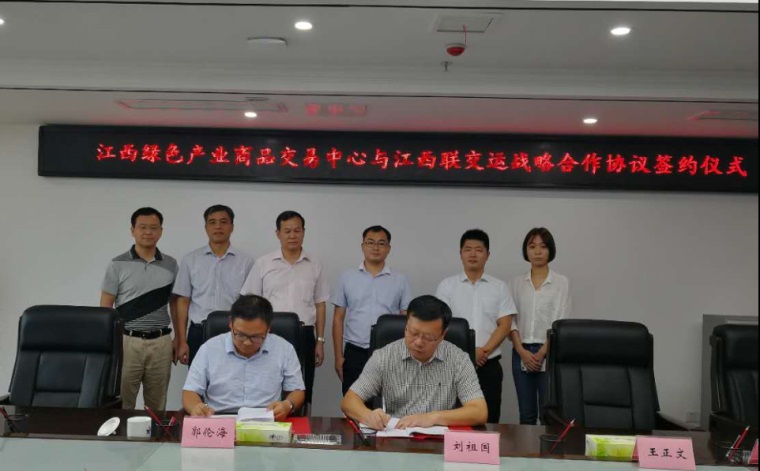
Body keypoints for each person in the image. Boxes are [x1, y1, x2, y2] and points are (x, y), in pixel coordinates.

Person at [341, 295, 487, 430]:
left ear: (443, 334)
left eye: (428, 337)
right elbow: (349, 401)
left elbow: (479, 412)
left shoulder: (459, 360)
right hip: (396, 437)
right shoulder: (384, 356)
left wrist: (432, 417)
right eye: (413, 333)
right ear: (406, 326)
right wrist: (369, 416)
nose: (418, 342)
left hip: (439, 441)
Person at [240, 210, 329, 407]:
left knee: (302, 385)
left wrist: (320, 341)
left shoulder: (314, 264)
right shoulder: (263, 263)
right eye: (287, 231)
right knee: (268, 384)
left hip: (304, 334)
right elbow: (249, 301)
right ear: (278, 234)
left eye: (297, 230)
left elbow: (320, 304)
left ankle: (301, 422)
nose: (292, 235)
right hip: (269, 334)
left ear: (303, 232)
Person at [100, 207, 178, 410]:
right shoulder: (117, 264)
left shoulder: (171, 264)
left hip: (161, 342)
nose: (148, 232)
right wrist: (109, 344)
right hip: (127, 342)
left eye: (153, 227)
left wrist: (179, 338)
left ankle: (155, 433)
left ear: (161, 231)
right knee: (122, 402)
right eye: (142, 227)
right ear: (132, 230)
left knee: (157, 406)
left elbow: (175, 303)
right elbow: (106, 307)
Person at [435, 229, 516, 424]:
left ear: (487, 255)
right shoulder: (446, 286)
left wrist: (483, 351)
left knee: (489, 418)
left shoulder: (499, 287)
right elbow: (440, 325)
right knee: (452, 419)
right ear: (460, 253)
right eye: (468, 249)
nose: (473, 254)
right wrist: (469, 353)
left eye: (479, 250)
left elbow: (505, 325)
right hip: (453, 364)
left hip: (488, 364)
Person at [182, 294, 305, 419]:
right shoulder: (209, 349)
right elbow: (190, 391)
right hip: (219, 419)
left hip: (265, 420)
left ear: (268, 328)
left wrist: (287, 405)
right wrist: (196, 407)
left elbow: (297, 390)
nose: (247, 343)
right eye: (240, 335)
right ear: (231, 323)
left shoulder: (284, 349)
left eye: (255, 337)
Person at [332, 225, 412, 395]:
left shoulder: (400, 279)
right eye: (370, 242)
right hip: (355, 351)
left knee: (388, 403)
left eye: (381, 243)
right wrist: (338, 357)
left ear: (388, 248)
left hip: (389, 352)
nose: (376, 247)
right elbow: (338, 319)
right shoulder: (347, 277)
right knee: (353, 401)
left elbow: (406, 320)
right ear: (363, 246)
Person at [173, 205, 255, 365]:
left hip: (234, 333)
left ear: (232, 227)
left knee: (233, 378)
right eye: (212, 222)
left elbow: (250, 304)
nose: (218, 226)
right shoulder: (191, 260)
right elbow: (183, 301)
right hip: (199, 331)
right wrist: (182, 340)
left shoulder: (246, 261)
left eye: (223, 222)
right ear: (206, 227)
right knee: (198, 379)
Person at [509, 227, 571, 425]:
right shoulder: (515, 283)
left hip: (550, 352)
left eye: (543, 246)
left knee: (548, 414)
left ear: (550, 250)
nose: (537, 251)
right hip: (521, 352)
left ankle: (547, 447)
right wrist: (521, 351)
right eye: (532, 246)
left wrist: (543, 351)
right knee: (526, 414)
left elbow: (562, 321)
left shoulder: (561, 283)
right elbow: (510, 321)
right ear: (526, 251)